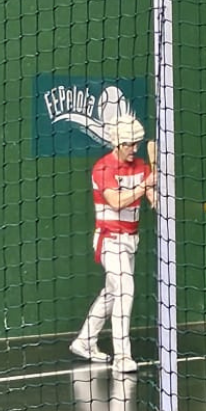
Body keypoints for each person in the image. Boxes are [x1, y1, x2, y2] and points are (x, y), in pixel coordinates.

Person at [68, 115, 155, 374]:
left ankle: (84, 341)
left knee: (111, 293)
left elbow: (152, 198)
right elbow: (116, 201)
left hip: (130, 241)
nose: (134, 149)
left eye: (137, 144)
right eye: (129, 144)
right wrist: (144, 187)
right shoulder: (103, 168)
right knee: (125, 288)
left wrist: (156, 190)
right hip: (109, 240)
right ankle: (122, 356)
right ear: (117, 143)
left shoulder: (141, 166)